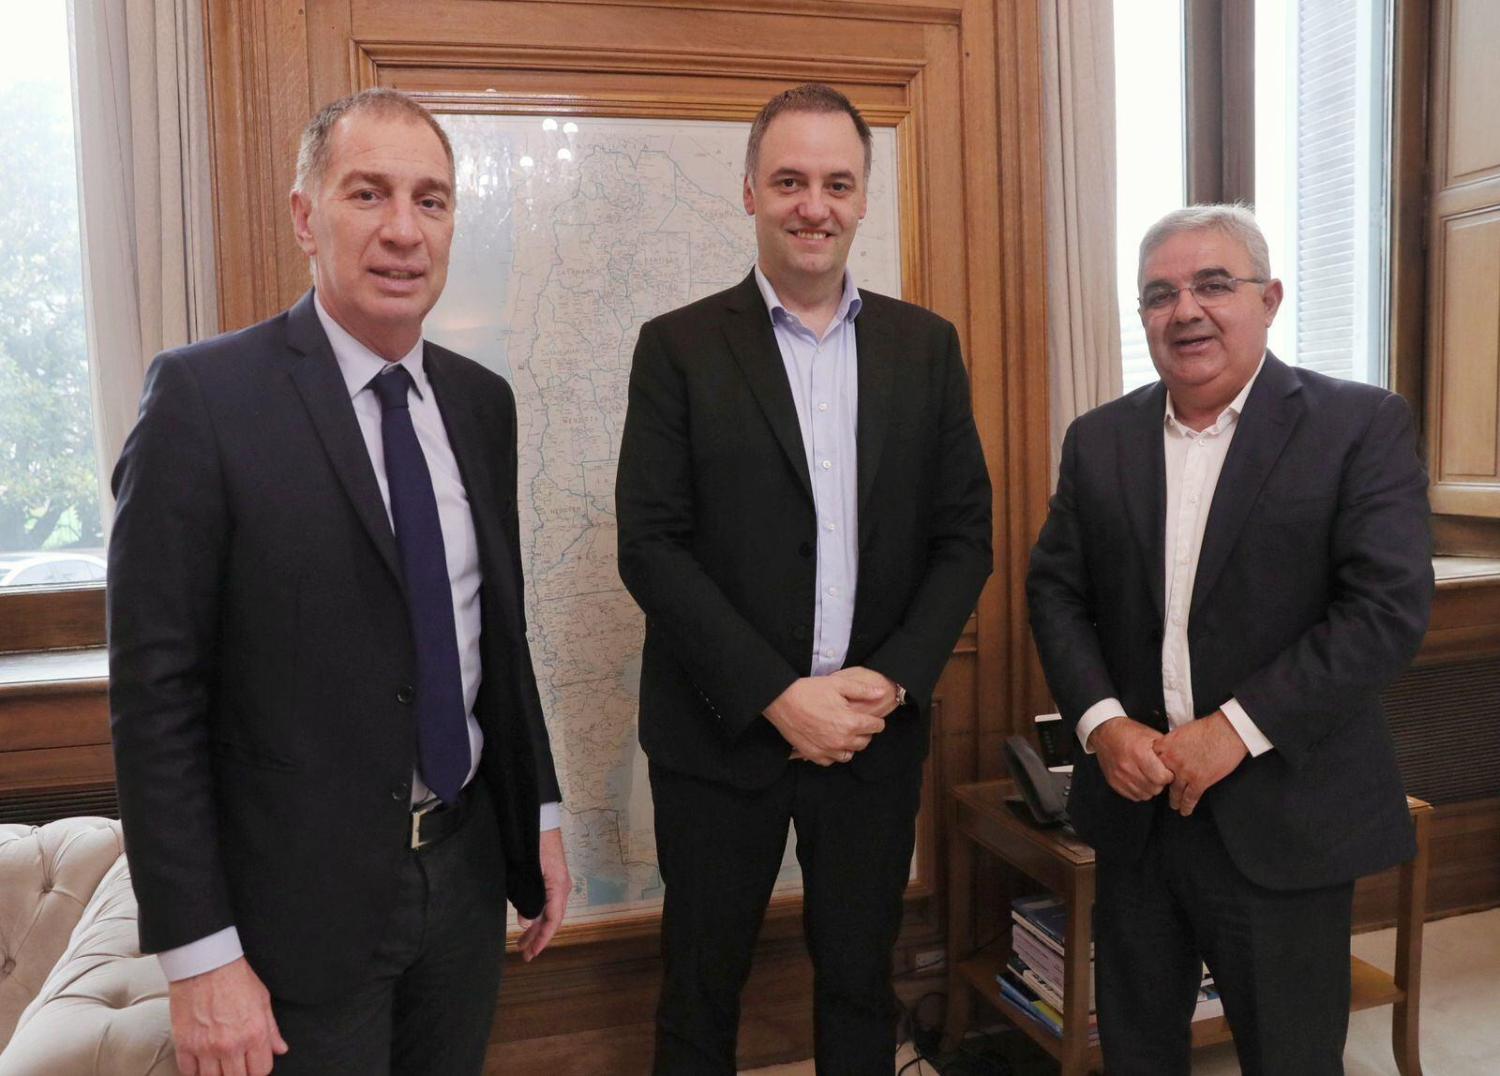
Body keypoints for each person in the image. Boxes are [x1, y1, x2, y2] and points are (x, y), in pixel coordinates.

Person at [108, 88, 570, 1076]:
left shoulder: (480, 404)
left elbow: (494, 636)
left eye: (430, 200)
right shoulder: (203, 399)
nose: (404, 230)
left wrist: (538, 814)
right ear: (305, 216)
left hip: (462, 878)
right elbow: (156, 700)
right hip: (294, 913)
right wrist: (200, 956)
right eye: (369, 194)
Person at [615, 83, 993, 1074]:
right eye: (789, 181)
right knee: (700, 989)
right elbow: (650, 545)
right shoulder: (677, 347)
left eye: (836, 183)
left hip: (872, 734)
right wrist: (779, 697)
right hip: (718, 732)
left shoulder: (926, 347)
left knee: (861, 983)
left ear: (864, 198)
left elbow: (965, 537)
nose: (813, 205)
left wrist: (894, 680)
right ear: (750, 191)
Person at [1027, 204, 1433, 1075]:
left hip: (1285, 810)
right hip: (1136, 809)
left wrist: (1235, 731)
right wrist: (1102, 724)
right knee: (1136, 1050)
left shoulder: (1359, 424)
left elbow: (1385, 609)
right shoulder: (1099, 440)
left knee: (1291, 1056)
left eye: (1214, 285)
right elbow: (1056, 592)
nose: (1186, 311)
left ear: (1269, 299)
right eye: (1160, 294)